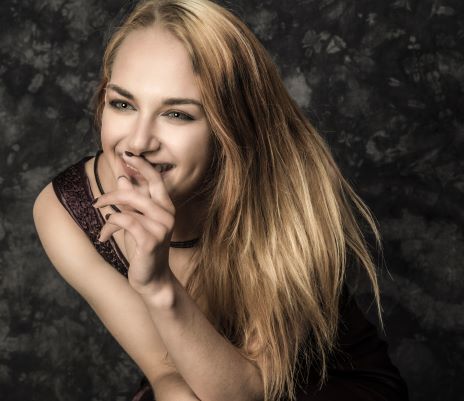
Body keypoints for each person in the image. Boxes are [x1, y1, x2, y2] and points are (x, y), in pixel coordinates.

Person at [33, 0, 409, 400]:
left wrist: (159, 286)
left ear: (229, 126)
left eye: (177, 115)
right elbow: (167, 373)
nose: (138, 143)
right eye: (123, 104)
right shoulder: (66, 211)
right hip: (202, 379)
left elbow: (248, 392)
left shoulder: (286, 187)